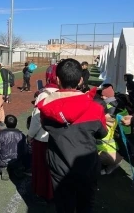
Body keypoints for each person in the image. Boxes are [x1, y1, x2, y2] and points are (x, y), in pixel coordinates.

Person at [37, 58, 107, 213]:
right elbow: (102, 133)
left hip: (60, 167)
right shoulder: (95, 107)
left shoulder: (47, 106)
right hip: (87, 165)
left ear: (57, 79)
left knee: (64, 207)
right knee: (85, 206)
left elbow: (45, 126)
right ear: (81, 79)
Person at [27, 68, 58, 202]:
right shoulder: (66, 93)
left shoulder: (43, 95)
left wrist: (30, 136)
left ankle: (43, 191)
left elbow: (37, 119)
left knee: (42, 167)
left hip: (43, 138)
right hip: (60, 138)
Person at [97, 84, 123, 175]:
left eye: (103, 95)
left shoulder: (110, 108)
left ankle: (103, 169)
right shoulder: (116, 104)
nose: (101, 96)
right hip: (108, 141)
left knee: (117, 161)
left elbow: (111, 121)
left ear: (107, 96)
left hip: (101, 144)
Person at [0, 115, 29, 180]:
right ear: (16, 124)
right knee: (22, 158)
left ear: (5, 124)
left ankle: (3, 169)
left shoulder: (1, 134)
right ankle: (17, 169)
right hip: (17, 160)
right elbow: (25, 150)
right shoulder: (21, 135)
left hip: (3, 161)